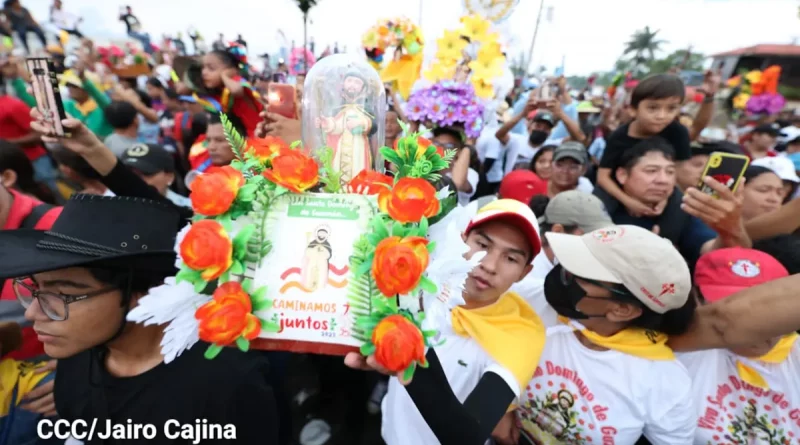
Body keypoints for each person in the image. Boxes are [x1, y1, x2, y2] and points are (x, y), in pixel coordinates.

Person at [0, 194, 278, 443]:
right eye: (35, 290)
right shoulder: (77, 356)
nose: (32, 312)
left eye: (62, 294)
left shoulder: (227, 386)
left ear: (143, 294)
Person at [347, 199, 546, 445]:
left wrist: (407, 354)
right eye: (482, 244)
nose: (489, 265)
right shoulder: (421, 283)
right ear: (463, 240)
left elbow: (467, 437)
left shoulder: (520, 333)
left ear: (525, 272)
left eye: (511, 259)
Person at [501, 225, 697, 445]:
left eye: (581, 274)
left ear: (622, 310)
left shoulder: (663, 380)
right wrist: (500, 408)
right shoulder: (529, 302)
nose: (563, 274)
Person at [679, 248, 798, 444]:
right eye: (732, 309)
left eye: (766, 311)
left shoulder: (795, 353)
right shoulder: (679, 354)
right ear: (697, 300)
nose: (753, 324)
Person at [599, 136, 750, 266]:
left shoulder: (682, 210)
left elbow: (712, 252)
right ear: (622, 175)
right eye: (651, 171)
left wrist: (730, 229)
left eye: (670, 172)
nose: (663, 180)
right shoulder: (598, 208)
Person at [596, 74, 690, 218]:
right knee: (598, 208)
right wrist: (629, 201)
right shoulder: (619, 136)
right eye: (653, 108)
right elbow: (603, 177)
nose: (661, 116)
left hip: (660, 190)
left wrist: (664, 198)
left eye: (671, 109)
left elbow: (679, 172)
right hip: (619, 191)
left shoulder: (678, 132)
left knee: (681, 209)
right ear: (633, 110)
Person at [198, 48, 263, 137]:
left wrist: (225, 76)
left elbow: (237, 91)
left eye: (211, 68)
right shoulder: (219, 90)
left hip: (258, 136)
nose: (204, 73)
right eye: (203, 68)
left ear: (230, 70)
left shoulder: (236, 81)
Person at [119, 143, 191, 208]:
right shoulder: (112, 206)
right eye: (129, 174)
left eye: (146, 173)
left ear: (169, 177)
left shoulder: (193, 211)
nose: (137, 180)